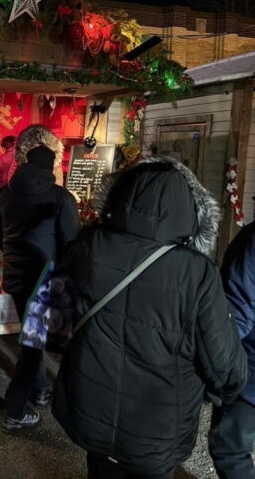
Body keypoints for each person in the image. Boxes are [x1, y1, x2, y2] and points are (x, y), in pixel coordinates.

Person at [53, 157, 248, 478]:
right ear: (191, 212)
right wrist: (213, 394)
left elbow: (48, 324)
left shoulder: (87, 245)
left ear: (119, 198)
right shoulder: (197, 273)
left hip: (91, 411)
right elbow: (226, 368)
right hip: (157, 429)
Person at [0, 145, 78, 431]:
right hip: (46, 278)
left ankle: (39, 388)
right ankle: (15, 409)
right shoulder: (60, 197)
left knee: (33, 337)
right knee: (33, 344)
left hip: (16, 276)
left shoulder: (5, 194)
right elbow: (71, 241)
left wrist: (14, 255)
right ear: (51, 168)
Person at [210, 221, 255, 479]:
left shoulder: (252, 240)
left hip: (250, 370)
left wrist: (217, 366)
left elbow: (237, 315)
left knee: (230, 449)